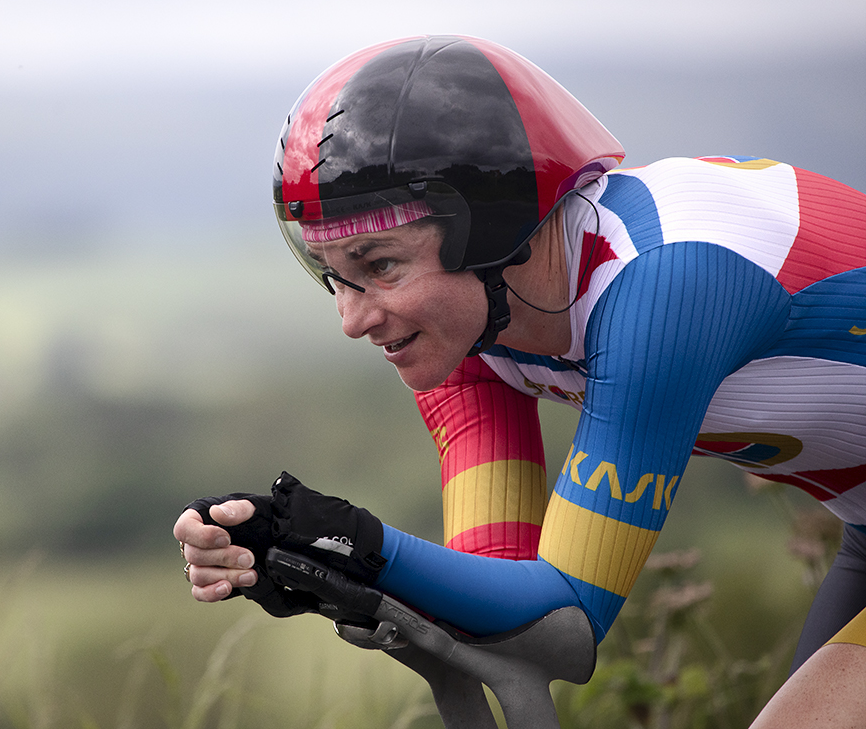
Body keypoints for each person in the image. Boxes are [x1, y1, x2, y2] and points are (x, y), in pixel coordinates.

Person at [174, 35, 866, 681]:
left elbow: (564, 624)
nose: (352, 320)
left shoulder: (665, 285)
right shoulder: (466, 329)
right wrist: (296, 557)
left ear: (499, 233)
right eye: (330, 275)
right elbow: (497, 604)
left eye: (380, 265)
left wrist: (360, 544)